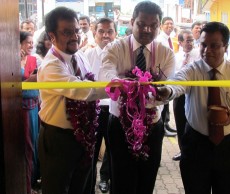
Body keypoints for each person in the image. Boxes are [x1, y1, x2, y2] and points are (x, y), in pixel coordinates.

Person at [156, 21, 230, 194]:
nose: (207, 51)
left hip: (229, 147)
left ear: (226, 47)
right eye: (203, 45)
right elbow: (177, 84)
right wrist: (167, 91)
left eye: (214, 46)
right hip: (196, 146)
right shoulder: (192, 71)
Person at [99, 1, 175, 193]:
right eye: (141, 24)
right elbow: (106, 72)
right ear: (132, 22)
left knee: (147, 177)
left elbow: (168, 85)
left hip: (152, 125)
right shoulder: (116, 48)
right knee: (121, 178)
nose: (147, 29)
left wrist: (161, 92)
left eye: (153, 25)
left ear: (159, 26)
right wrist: (122, 84)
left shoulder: (166, 53)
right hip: (120, 123)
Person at [37, 7, 107, 194]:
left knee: (82, 187)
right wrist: (119, 88)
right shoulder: (51, 65)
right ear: (52, 36)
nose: (75, 36)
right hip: (58, 139)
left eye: (76, 30)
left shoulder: (80, 56)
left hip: (83, 135)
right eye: (67, 32)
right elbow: (83, 90)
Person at [84, 17, 117, 194]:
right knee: (92, 149)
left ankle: (105, 179)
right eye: (101, 31)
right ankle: (90, 184)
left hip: (114, 109)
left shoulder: (121, 54)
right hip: (94, 109)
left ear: (115, 33)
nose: (105, 35)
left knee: (112, 149)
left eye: (109, 31)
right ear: (94, 33)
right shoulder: (86, 55)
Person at [172, 29, 200, 161]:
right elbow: (173, 75)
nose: (190, 43)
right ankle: (183, 151)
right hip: (179, 94)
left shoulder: (199, 55)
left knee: (193, 122)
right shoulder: (175, 57)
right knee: (180, 122)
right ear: (181, 42)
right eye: (187, 41)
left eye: (192, 40)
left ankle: (194, 150)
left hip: (194, 93)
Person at [20, 31, 40, 194]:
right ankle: (26, 185)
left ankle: (33, 180)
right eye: (27, 42)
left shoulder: (35, 60)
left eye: (32, 42)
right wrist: (28, 82)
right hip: (21, 109)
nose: (31, 45)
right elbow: (10, 90)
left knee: (35, 144)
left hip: (35, 108)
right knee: (26, 147)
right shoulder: (10, 61)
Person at [156, 16, 177, 137]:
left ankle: (166, 124)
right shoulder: (160, 40)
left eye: (171, 24)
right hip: (161, 76)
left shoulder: (170, 39)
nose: (170, 26)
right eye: (167, 24)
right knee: (162, 102)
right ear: (161, 26)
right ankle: (163, 127)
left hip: (168, 76)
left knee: (166, 101)